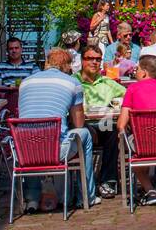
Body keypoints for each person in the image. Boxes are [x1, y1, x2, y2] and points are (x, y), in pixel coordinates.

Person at [16, 45, 100, 212]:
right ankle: (87, 195)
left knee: (31, 138)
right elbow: (78, 123)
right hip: (54, 150)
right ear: (67, 66)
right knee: (85, 135)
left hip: (24, 150)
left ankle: (32, 198)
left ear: (47, 63)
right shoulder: (72, 83)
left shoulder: (25, 82)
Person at [117, 54, 156, 204]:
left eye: (137, 69)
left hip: (143, 143)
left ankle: (149, 189)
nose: (135, 72)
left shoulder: (132, 89)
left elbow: (121, 125)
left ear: (144, 72)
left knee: (129, 148)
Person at [79, 54, 125, 199]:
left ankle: (108, 180)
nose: (94, 62)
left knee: (112, 129)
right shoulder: (74, 81)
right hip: (81, 124)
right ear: (82, 61)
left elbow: (128, 94)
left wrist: (120, 102)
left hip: (102, 123)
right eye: (89, 58)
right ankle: (84, 183)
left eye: (98, 59)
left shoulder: (106, 82)